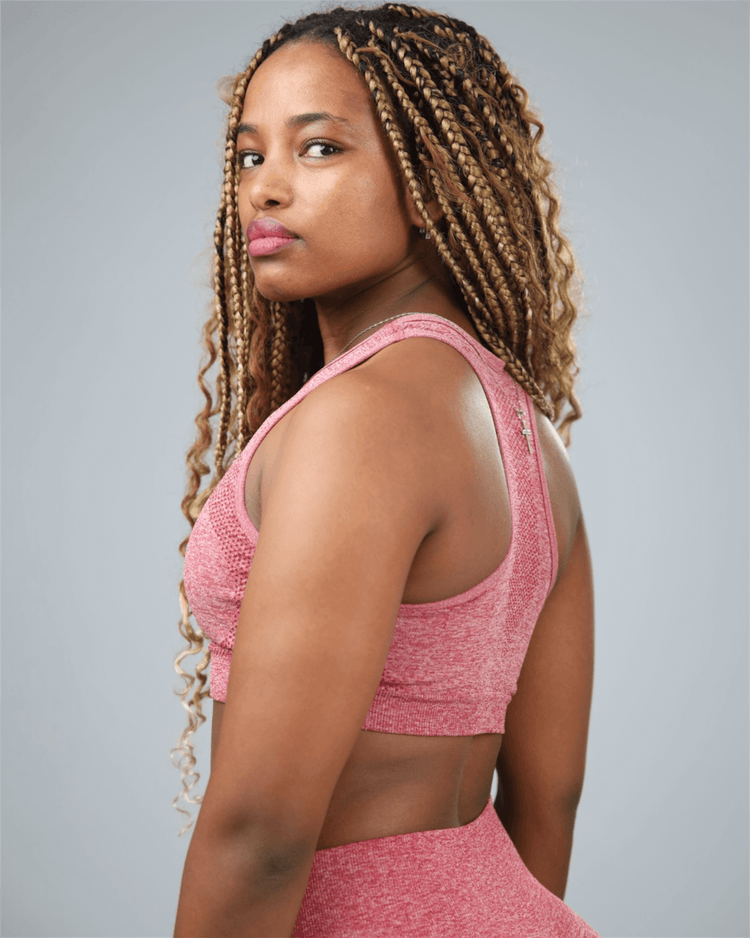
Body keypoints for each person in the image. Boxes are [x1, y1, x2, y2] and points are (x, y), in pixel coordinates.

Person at [171, 4, 598, 936]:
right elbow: (549, 799)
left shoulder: (360, 420)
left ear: (432, 181)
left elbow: (262, 834)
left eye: (318, 149)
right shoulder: (528, 433)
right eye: (250, 156)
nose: (265, 191)